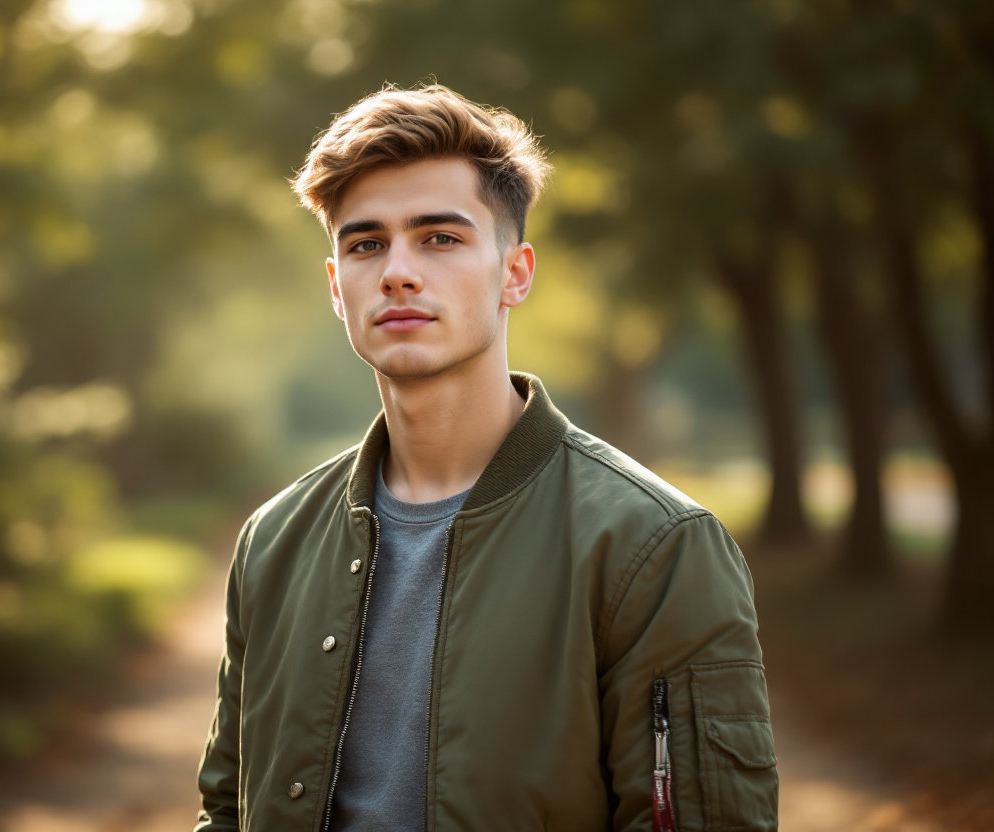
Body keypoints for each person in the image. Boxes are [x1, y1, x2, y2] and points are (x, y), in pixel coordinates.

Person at [195, 84, 778, 831]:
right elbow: (226, 807)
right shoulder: (273, 541)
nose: (398, 271)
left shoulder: (653, 547)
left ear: (516, 272)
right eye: (366, 243)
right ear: (337, 288)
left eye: (440, 238)